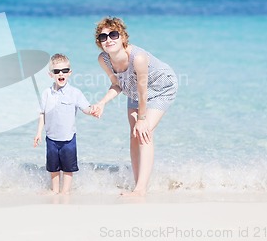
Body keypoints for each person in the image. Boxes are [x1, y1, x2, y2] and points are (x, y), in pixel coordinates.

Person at [91, 16, 178, 196]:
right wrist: (102, 103)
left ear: (123, 37)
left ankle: (140, 190)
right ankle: (138, 183)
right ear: (99, 42)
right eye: (103, 37)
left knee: (144, 132)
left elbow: (143, 90)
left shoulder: (138, 58)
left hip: (161, 87)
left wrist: (142, 118)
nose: (108, 40)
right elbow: (118, 85)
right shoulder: (104, 59)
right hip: (134, 89)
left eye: (113, 35)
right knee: (133, 134)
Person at [34, 53, 92, 195]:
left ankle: (65, 191)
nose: (61, 74)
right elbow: (42, 113)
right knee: (53, 167)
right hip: (51, 138)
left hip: (68, 138)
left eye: (64, 71)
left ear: (69, 73)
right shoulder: (47, 93)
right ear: (51, 74)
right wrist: (38, 133)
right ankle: (54, 190)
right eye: (56, 71)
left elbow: (86, 108)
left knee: (68, 167)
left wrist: (94, 111)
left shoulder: (75, 93)